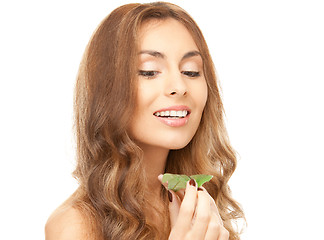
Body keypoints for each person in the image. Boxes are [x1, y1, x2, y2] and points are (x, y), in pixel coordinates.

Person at [45, 2, 245, 239]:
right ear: (106, 91)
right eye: (149, 71)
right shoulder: (76, 225)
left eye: (191, 71)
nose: (179, 87)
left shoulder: (200, 203)